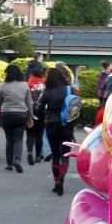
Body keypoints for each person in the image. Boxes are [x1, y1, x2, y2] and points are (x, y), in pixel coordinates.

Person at [35, 65, 75, 196]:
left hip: (51, 124)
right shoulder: (70, 90)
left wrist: (46, 114)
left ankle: (56, 182)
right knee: (65, 155)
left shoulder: (47, 92)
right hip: (66, 125)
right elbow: (76, 107)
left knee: (55, 155)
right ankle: (62, 179)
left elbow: (39, 110)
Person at [0, 63, 32, 173]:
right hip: (21, 114)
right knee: (18, 138)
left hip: (6, 114)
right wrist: (30, 116)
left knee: (9, 139)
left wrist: (0, 108)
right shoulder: (25, 85)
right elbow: (29, 103)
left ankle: (9, 164)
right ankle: (17, 159)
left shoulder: (4, 85)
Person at [26, 72, 46, 166]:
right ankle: (38, 156)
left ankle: (30, 152)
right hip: (41, 112)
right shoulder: (45, 83)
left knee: (30, 134)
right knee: (39, 135)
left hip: (30, 111)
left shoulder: (29, 82)